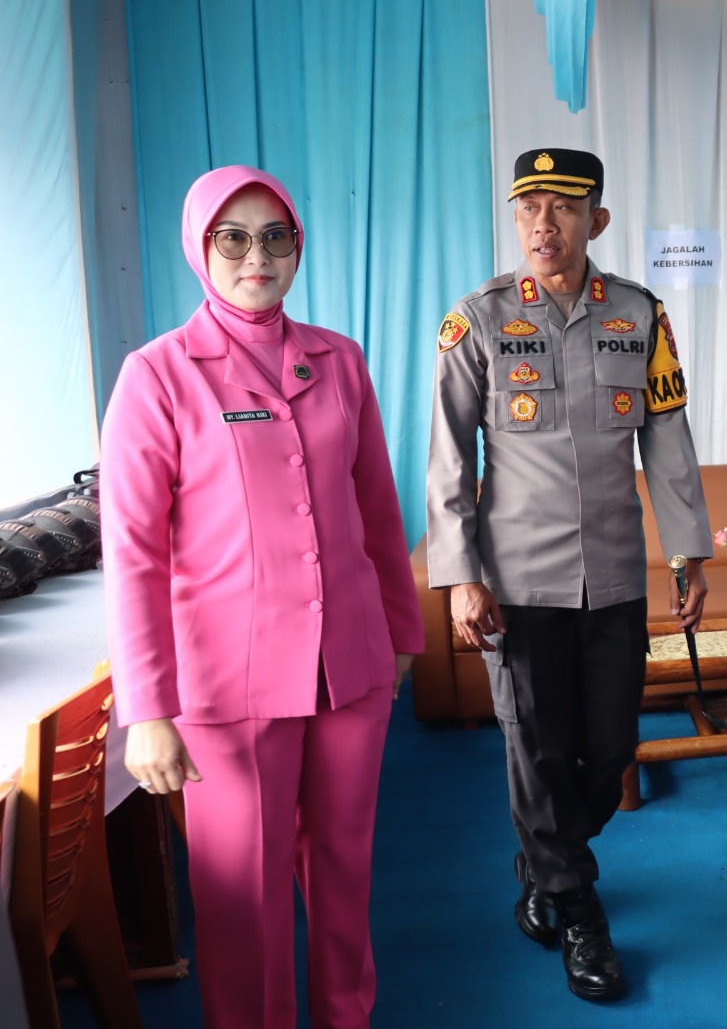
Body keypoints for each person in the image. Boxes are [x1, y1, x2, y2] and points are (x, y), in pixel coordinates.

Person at [101, 165, 424, 1028]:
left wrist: (400, 635)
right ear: (200, 248)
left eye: (276, 236)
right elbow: (132, 556)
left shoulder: (339, 359)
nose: (258, 256)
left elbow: (376, 506)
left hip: (349, 670)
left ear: (298, 247)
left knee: (345, 876)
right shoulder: (158, 375)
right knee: (242, 899)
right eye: (234, 238)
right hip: (228, 687)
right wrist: (147, 709)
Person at [426, 147, 712, 1002]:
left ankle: (541, 859)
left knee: (611, 748)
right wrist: (461, 576)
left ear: (598, 220)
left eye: (562, 207)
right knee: (539, 749)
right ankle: (580, 911)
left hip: (616, 573)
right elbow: (448, 458)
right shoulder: (477, 320)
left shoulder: (640, 314)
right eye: (529, 208)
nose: (543, 224)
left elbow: (667, 438)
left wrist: (688, 551)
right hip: (518, 582)